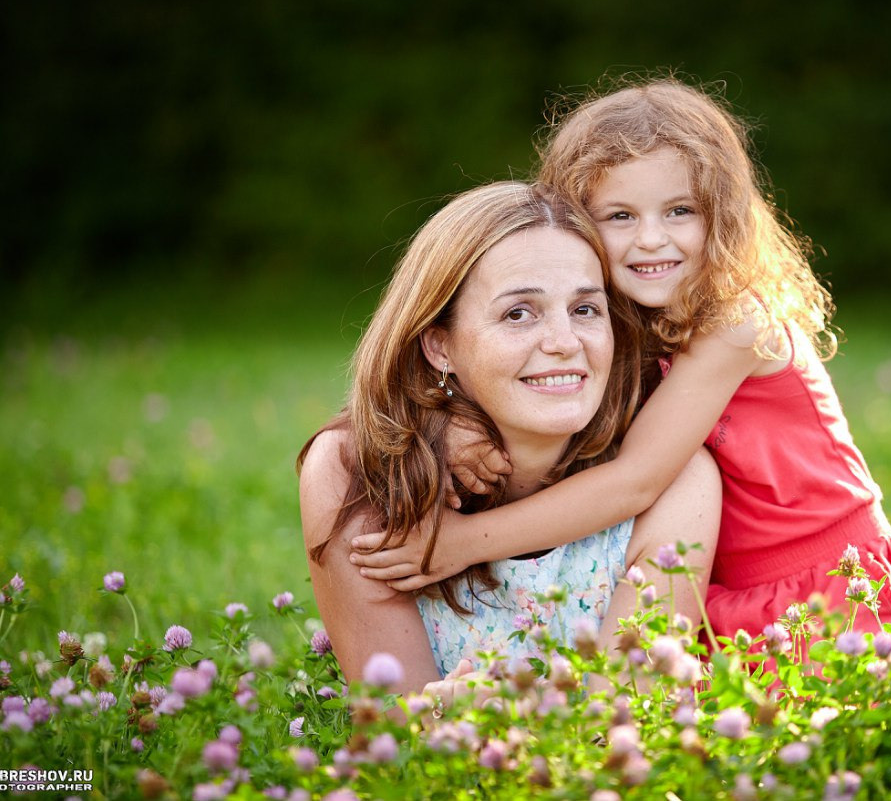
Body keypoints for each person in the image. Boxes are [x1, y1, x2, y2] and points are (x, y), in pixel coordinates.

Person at [351, 78, 891, 645]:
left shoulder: (736, 324)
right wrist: (455, 420)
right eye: (619, 216)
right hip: (723, 589)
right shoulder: (610, 321)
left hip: (831, 588)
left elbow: (633, 482)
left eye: (679, 211)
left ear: (722, 216)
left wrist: (461, 544)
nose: (651, 239)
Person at [298, 181, 720, 689]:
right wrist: (437, 721)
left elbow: (627, 725)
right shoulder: (358, 472)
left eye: (586, 309)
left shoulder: (677, 483)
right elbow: (389, 733)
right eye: (518, 313)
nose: (565, 343)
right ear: (440, 347)